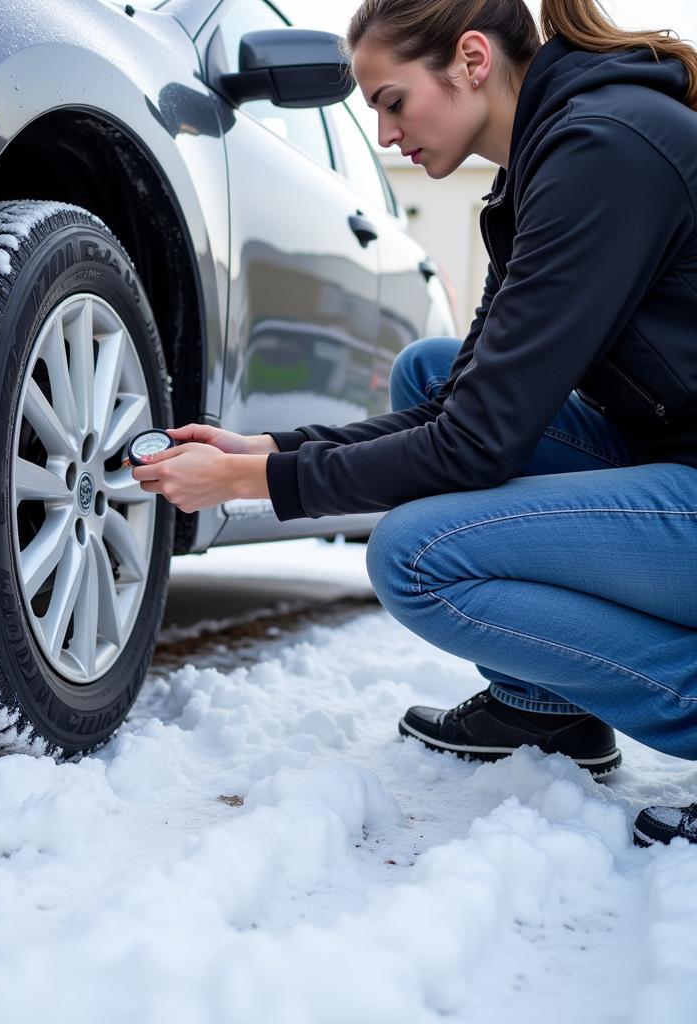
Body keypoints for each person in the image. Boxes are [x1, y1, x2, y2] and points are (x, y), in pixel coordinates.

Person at [131, 0, 697, 849]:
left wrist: (258, 485)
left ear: (471, 59)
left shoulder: (603, 151)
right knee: (427, 366)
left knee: (415, 558)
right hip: (677, 457)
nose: (388, 135)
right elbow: (459, 404)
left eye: (393, 102)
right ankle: (547, 713)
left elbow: (477, 444)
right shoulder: (546, 163)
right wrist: (275, 449)